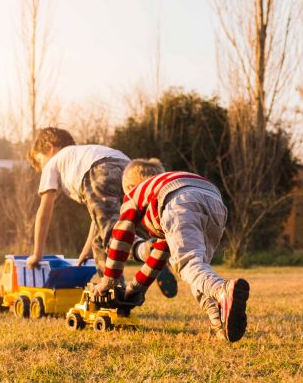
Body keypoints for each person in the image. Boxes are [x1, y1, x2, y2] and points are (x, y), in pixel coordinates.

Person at [93, 158, 251, 342]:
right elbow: (158, 255)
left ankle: (221, 290)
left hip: (181, 201)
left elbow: (121, 234)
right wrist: (135, 289)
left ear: (128, 187)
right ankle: (219, 324)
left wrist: (109, 279)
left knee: (188, 265)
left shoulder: (135, 192)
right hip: (215, 202)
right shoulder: (162, 187)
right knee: (197, 270)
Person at [24, 127, 129, 278]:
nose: (43, 169)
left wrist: (37, 254)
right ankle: (150, 255)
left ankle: (114, 290)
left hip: (99, 169)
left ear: (49, 147)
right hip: (127, 165)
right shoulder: (81, 155)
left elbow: (44, 213)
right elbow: (98, 217)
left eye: (41, 161)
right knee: (110, 232)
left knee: (110, 238)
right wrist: (87, 249)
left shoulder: (53, 162)